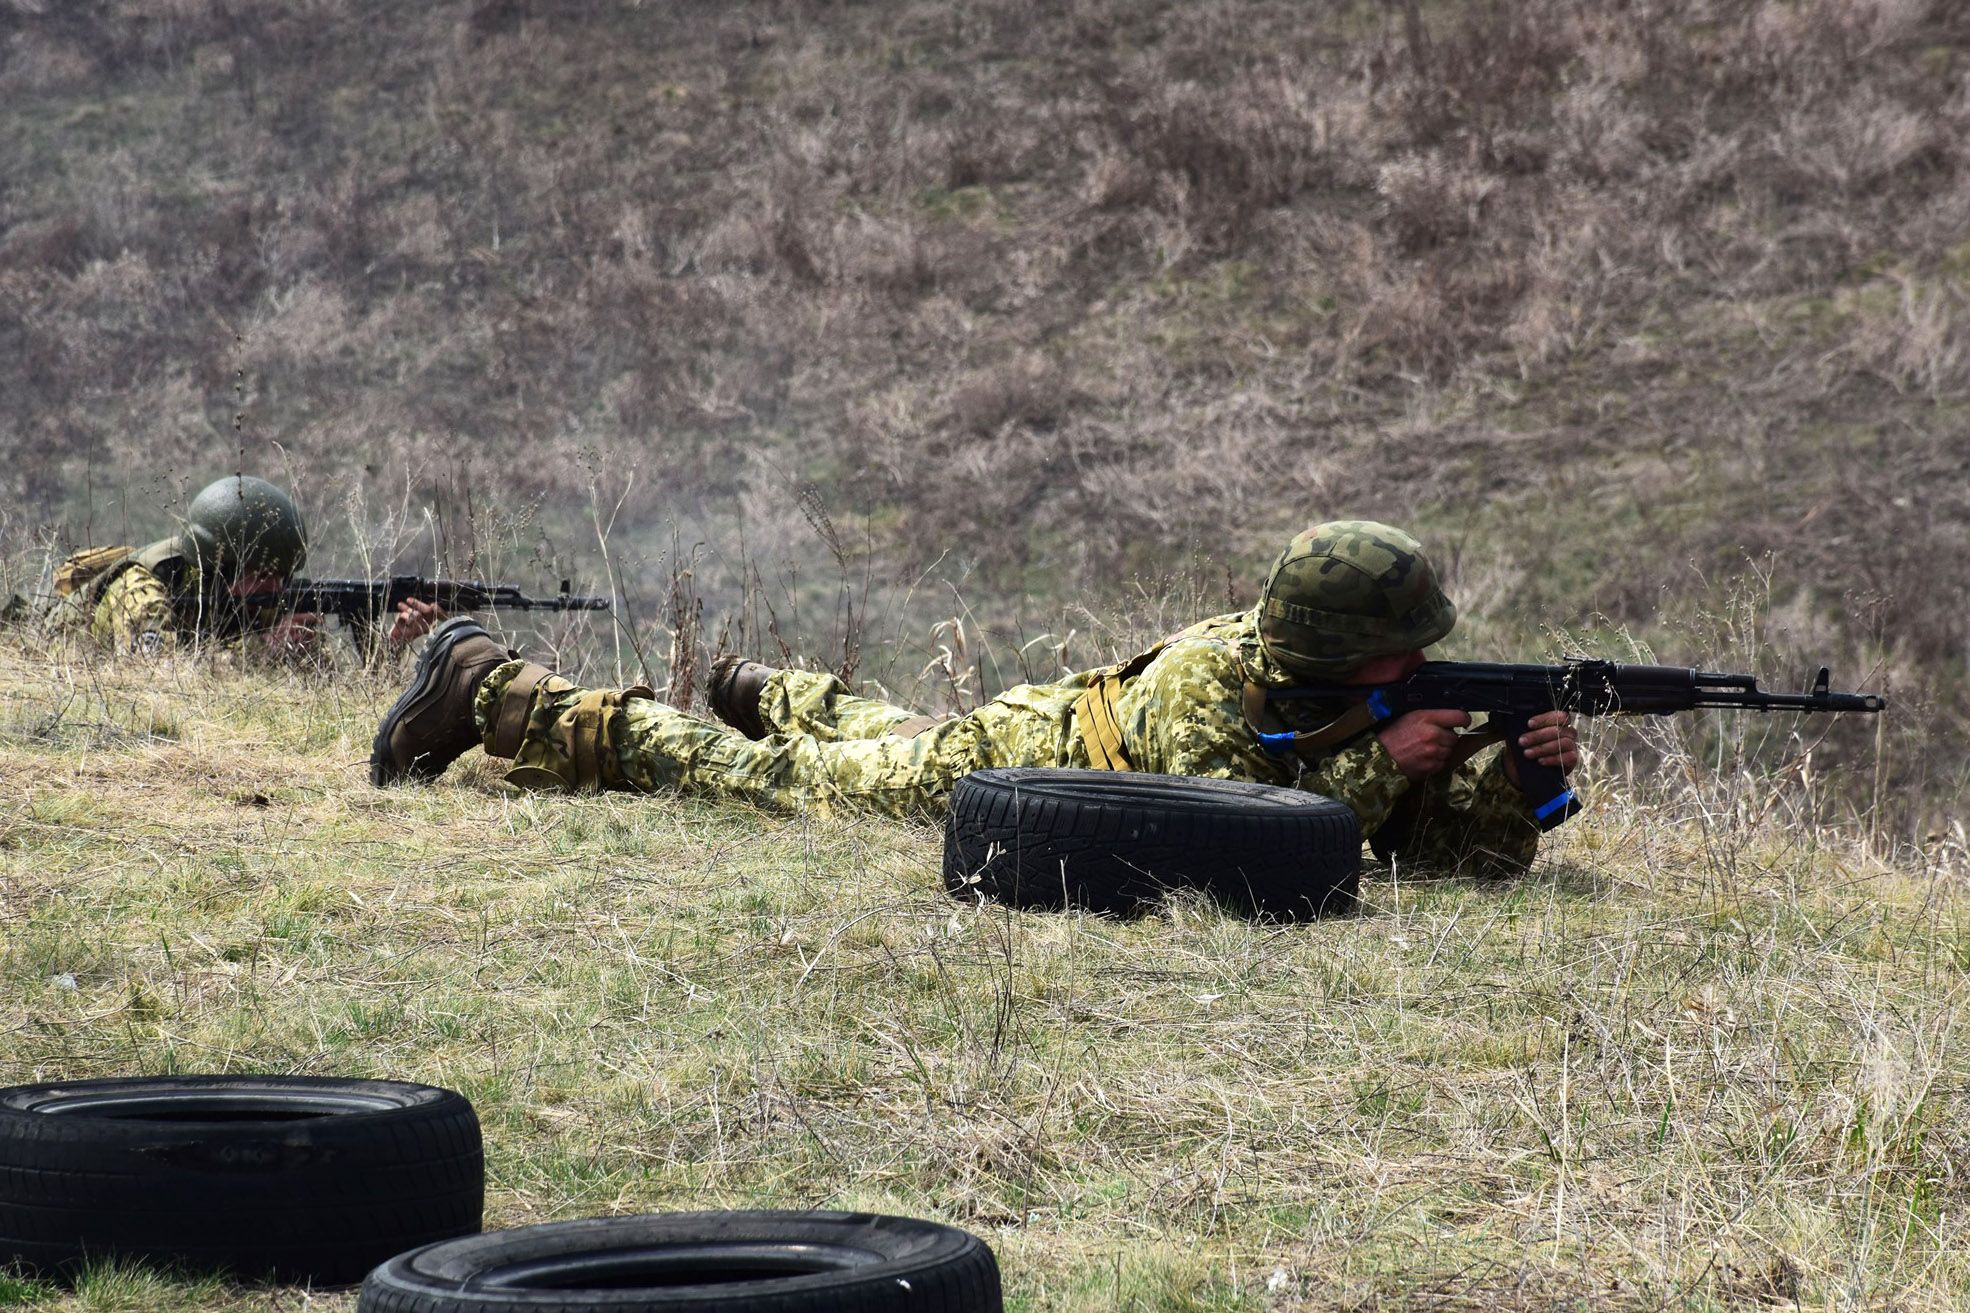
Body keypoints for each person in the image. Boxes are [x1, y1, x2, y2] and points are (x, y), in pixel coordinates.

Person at [370, 521, 1579, 875]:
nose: (1411, 671)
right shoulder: (1220, 681)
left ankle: (770, 686)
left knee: (882, 736)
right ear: (1337, 644)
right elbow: (1246, 840)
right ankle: (501, 692)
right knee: (783, 788)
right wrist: (1388, 760)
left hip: (1033, 739)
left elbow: (1441, 865)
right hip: (1010, 769)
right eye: (1395, 655)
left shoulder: (1338, 683)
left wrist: (1517, 783)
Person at [36, 475, 442, 658]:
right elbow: (156, 679)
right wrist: (266, 649)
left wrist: (390, 647)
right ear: (220, 565)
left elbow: (327, 690)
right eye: (260, 572)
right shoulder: (144, 592)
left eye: (280, 574)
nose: (274, 585)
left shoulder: (265, 601)